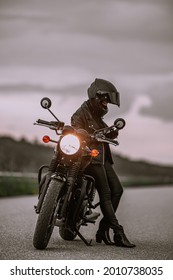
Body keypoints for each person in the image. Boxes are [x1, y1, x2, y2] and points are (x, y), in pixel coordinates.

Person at [71, 78, 135, 247]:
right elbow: (77, 128)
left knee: (117, 190)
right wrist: (82, 133)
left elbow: (104, 130)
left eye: (108, 100)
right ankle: (118, 232)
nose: (106, 103)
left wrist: (112, 131)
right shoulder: (81, 113)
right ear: (95, 96)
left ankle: (103, 229)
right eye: (104, 99)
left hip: (102, 159)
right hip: (89, 159)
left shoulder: (96, 115)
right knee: (106, 194)